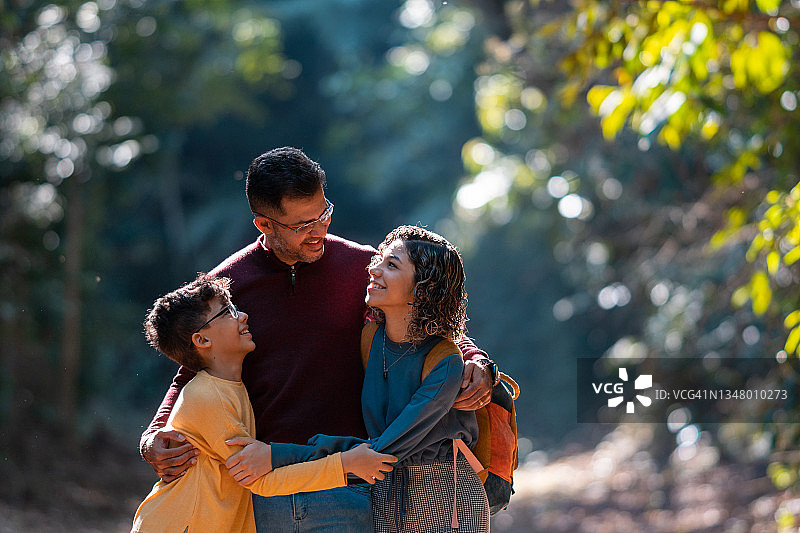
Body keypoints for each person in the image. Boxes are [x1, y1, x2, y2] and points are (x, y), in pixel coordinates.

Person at [140, 147, 497, 532]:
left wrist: (474, 358)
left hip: (350, 487)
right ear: (264, 224)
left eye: (323, 213)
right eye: (301, 225)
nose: (319, 230)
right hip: (264, 492)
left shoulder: (364, 268)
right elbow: (189, 371)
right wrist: (154, 434)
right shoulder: (226, 289)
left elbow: (421, 325)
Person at [258, 226, 490, 532]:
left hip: (445, 497)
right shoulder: (371, 338)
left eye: (391, 265)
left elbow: (383, 452)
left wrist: (279, 455)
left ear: (423, 289)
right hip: (385, 495)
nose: (373, 268)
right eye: (379, 259)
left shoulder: (445, 362)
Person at [131, 274, 397, 533]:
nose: (243, 315)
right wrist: (344, 464)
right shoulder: (207, 398)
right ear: (202, 340)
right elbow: (262, 482)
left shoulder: (229, 387)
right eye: (227, 312)